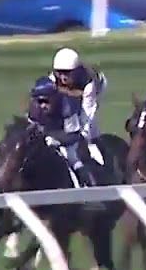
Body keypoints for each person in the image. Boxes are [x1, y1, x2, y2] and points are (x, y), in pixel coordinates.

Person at [45, 47, 108, 184]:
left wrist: (81, 138)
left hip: (95, 91)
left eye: (67, 73)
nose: (63, 77)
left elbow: (88, 115)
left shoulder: (88, 83)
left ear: (76, 71)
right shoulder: (52, 80)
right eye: (60, 73)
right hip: (71, 98)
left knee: (88, 132)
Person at [27, 78, 99, 188]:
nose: (43, 106)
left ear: (54, 98)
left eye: (46, 101)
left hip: (67, 141)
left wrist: (57, 140)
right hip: (45, 140)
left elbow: (73, 135)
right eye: (39, 101)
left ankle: (87, 183)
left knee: (72, 158)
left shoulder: (67, 107)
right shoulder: (34, 109)